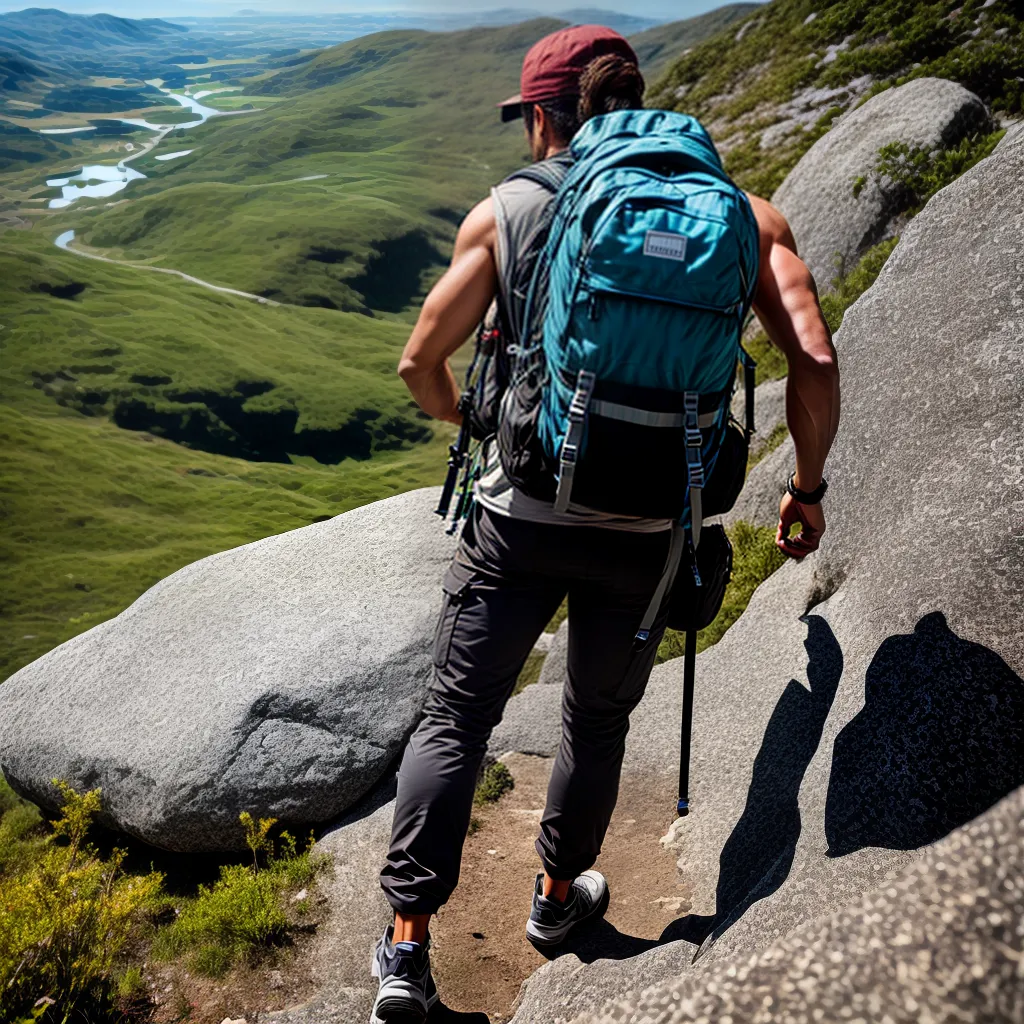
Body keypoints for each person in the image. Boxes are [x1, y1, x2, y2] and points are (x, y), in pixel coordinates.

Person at [370, 24, 840, 1024]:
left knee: (456, 718)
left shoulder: (506, 211)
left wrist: (490, 425)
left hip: (517, 517)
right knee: (595, 719)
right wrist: (803, 487)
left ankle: (406, 948)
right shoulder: (742, 218)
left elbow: (418, 364)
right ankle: (553, 899)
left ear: (545, 116)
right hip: (650, 526)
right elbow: (815, 361)